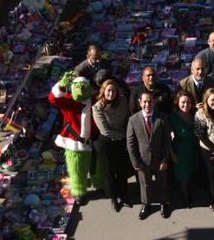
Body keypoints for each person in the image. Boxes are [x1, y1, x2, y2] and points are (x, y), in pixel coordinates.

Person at [126, 90, 172, 219]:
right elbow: (130, 143)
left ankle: (164, 203)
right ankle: (146, 204)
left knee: (162, 182)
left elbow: (167, 141)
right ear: (140, 103)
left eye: (150, 101)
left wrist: (165, 159)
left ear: (154, 102)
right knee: (145, 184)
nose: (147, 104)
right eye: (145, 102)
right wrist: (135, 162)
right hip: (143, 160)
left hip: (159, 159)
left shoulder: (162, 118)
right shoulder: (133, 120)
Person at [49, 74, 95, 204]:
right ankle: (79, 192)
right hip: (73, 142)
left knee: (94, 168)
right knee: (76, 170)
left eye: (83, 87)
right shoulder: (68, 100)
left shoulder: (94, 99)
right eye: (77, 86)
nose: (80, 90)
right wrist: (61, 86)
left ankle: (96, 183)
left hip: (94, 141)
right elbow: (53, 98)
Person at [92, 78, 132, 212]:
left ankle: (124, 196)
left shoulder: (123, 100)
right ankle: (114, 198)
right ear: (103, 91)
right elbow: (105, 131)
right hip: (107, 143)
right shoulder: (97, 107)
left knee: (122, 170)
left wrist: (126, 134)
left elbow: (127, 118)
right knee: (109, 172)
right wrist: (124, 135)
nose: (111, 93)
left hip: (121, 141)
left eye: (113, 90)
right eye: (108, 90)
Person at [170, 91, 200, 208]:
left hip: (194, 150)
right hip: (180, 151)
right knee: (183, 177)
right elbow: (167, 138)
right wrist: (171, 154)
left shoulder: (196, 115)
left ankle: (190, 193)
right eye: (183, 102)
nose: (186, 105)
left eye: (188, 102)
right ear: (177, 103)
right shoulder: (172, 117)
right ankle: (185, 198)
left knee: (192, 173)